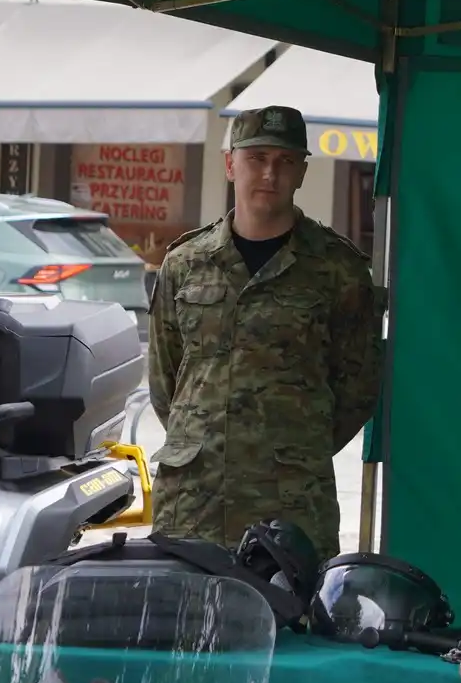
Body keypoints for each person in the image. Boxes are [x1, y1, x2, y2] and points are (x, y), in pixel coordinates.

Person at [145, 104, 382, 555]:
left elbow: (358, 388)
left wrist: (293, 445)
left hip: (292, 501)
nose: (270, 174)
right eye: (256, 158)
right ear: (230, 164)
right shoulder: (184, 264)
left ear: (302, 172)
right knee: (186, 598)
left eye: (285, 161)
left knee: (292, 601)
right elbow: (164, 380)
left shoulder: (338, 270)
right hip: (194, 499)